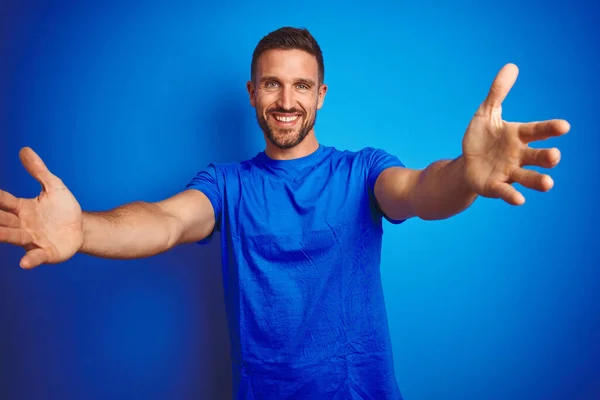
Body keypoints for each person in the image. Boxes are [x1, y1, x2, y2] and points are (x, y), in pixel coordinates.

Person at [0, 27, 569, 399]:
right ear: (252, 92)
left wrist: (465, 178)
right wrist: (85, 229)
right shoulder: (227, 185)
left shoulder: (362, 171)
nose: (287, 101)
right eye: (273, 84)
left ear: (322, 94)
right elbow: (165, 221)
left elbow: (419, 191)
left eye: (301, 86)